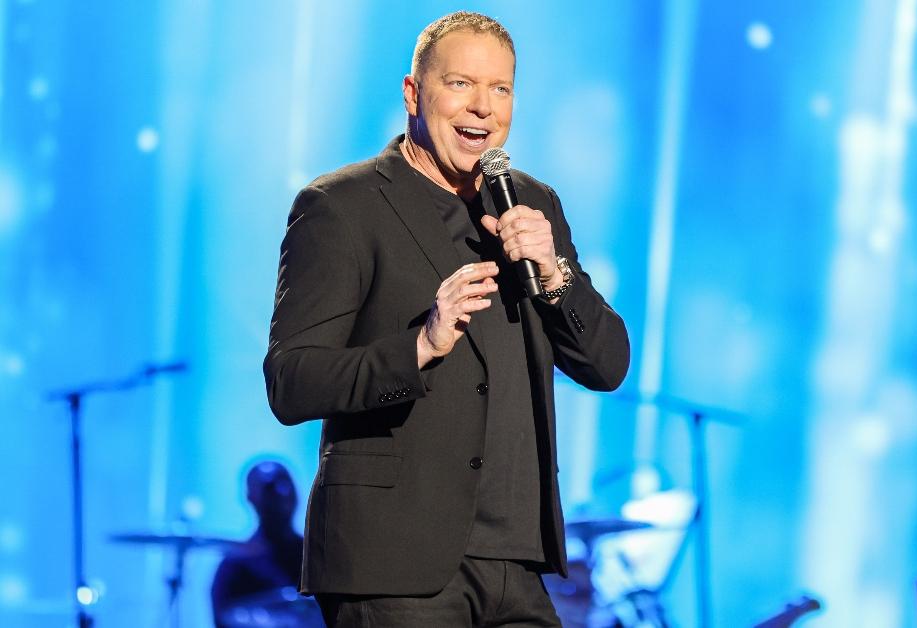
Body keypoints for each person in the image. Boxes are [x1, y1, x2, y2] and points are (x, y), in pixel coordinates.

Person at [262, 10, 630, 627]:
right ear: (413, 93)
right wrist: (421, 346)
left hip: (519, 561)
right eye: (460, 84)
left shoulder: (533, 204)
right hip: (394, 564)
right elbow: (291, 380)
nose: (483, 107)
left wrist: (554, 272)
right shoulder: (341, 206)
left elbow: (607, 364)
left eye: (501, 89)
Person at [210, 461, 315, 627]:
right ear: (251, 497)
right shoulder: (235, 565)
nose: (283, 491)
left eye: (287, 482)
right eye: (271, 486)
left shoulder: (317, 556)